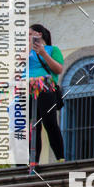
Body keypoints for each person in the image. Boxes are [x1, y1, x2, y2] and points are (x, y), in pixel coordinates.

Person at [28, 24, 65, 165]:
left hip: (46, 89)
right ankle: (33, 161)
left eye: (30, 34)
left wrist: (43, 53)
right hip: (28, 90)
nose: (27, 37)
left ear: (39, 34)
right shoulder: (26, 52)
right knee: (33, 126)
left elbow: (58, 69)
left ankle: (60, 157)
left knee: (50, 123)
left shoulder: (52, 50)